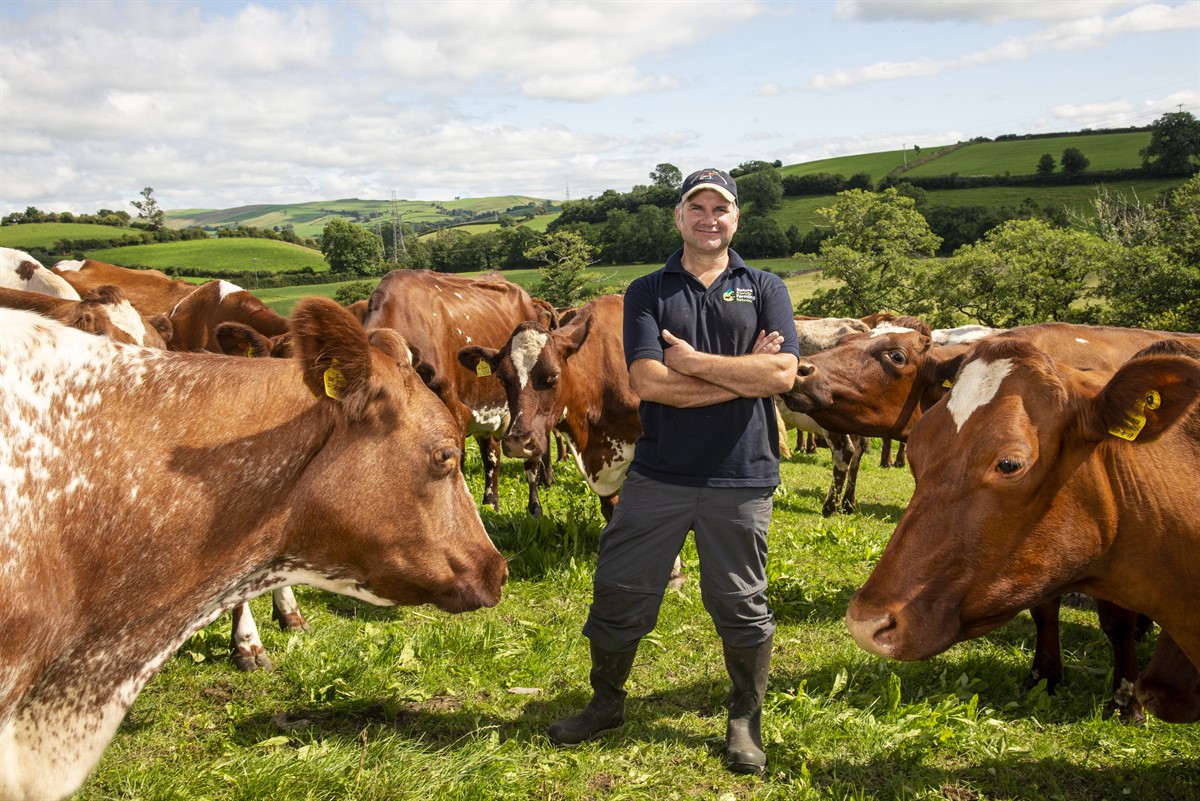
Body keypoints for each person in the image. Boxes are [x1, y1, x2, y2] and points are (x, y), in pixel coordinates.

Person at [547, 168, 800, 775]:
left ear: (736, 218)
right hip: (658, 476)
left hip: (742, 475)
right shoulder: (648, 289)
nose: (709, 218)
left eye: (721, 208)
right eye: (697, 207)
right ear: (678, 217)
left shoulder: (766, 287)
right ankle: (606, 702)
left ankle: (745, 721)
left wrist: (693, 365)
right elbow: (647, 383)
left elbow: (783, 376)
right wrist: (741, 374)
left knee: (741, 602)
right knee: (618, 592)